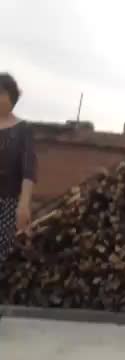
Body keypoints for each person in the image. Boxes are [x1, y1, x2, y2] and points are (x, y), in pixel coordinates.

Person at [0, 73, 37, 263]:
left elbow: (28, 169)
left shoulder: (23, 129)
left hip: (7, 203)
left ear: (11, 97)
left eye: (2, 93)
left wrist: (24, 204)